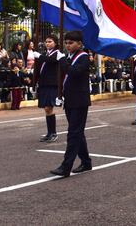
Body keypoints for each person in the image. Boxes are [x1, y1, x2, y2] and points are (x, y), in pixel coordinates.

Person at [50, 31, 92, 177]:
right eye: (66, 43)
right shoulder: (69, 57)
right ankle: (86, 162)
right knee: (77, 132)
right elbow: (64, 77)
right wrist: (60, 95)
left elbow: (73, 72)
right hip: (70, 100)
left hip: (80, 101)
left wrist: (61, 61)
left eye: (71, 43)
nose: (68, 45)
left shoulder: (84, 57)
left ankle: (65, 166)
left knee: (73, 133)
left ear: (79, 44)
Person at [34, 35, 62, 142]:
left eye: (50, 41)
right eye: (46, 42)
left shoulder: (57, 53)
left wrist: (39, 56)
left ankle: (53, 133)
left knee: (48, 107)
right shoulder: (45, 54)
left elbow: (51, 61)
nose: (47, 43)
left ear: (55, 43)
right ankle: (49, 133)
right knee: (46, 109)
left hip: (52, 84)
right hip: (44, 83)